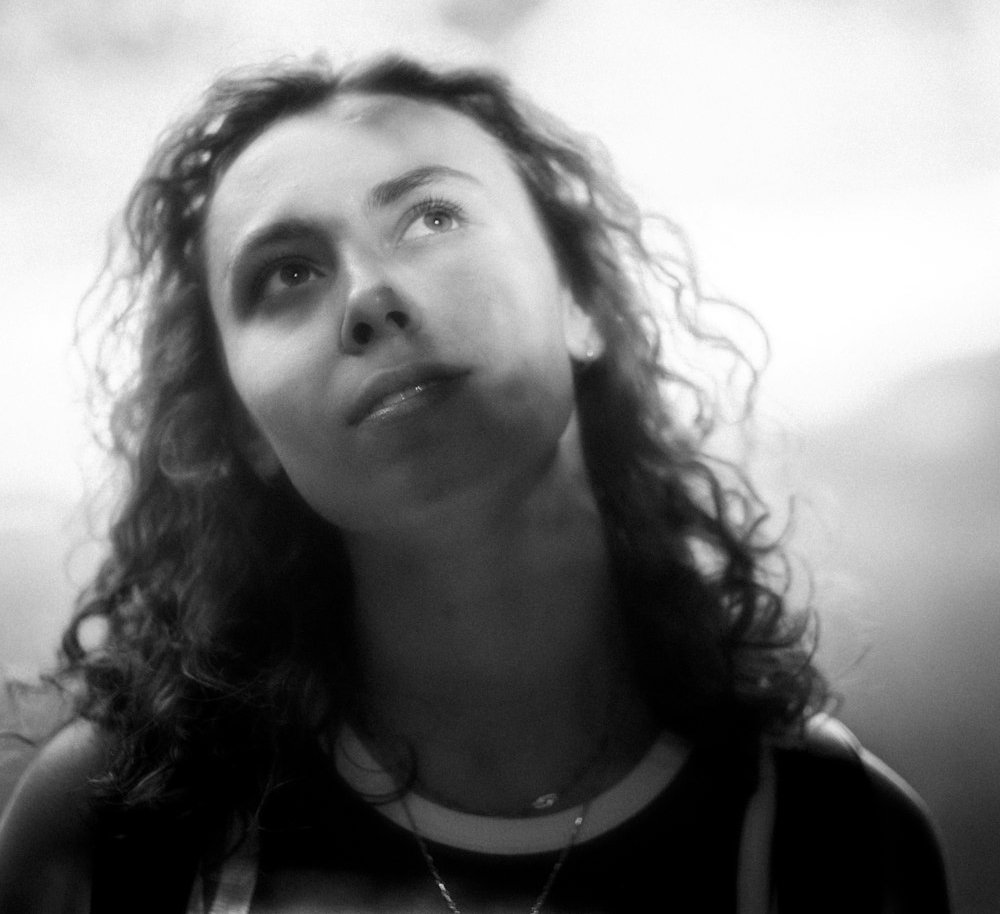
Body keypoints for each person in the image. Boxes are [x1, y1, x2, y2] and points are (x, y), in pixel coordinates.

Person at [0, 54, 950, 913]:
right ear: (245, 430)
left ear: (581, 301)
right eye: (288, 273)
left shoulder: (832, 837)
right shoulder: (115, 830)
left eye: (433, 215)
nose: (370, 294)